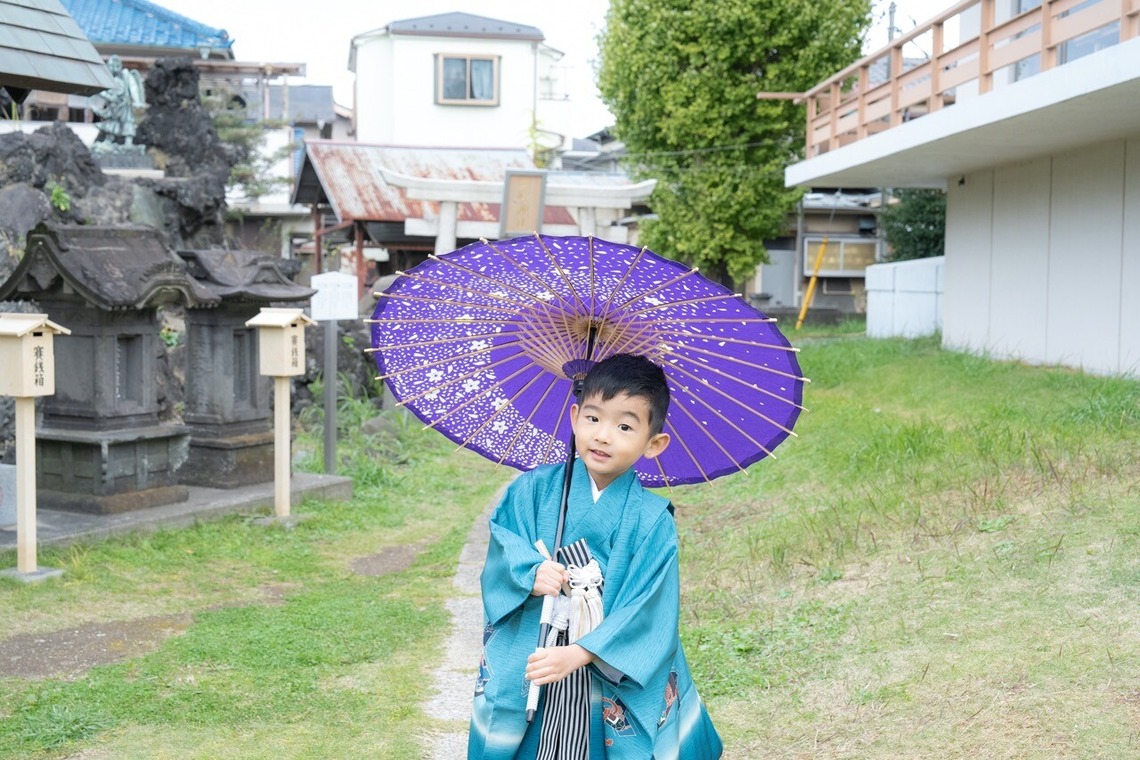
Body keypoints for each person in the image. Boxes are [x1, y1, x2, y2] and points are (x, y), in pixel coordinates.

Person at [468, 353, 723, 759]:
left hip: (600, 662)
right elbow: (504, 541)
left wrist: (582, 652)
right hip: (542, 646)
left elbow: (649, 607)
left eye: (624, 426)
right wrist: (528, 573)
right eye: (593, 418)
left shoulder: (651, 520)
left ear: (654, 443)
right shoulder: (532, 490)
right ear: (573, 417)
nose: (603, 435)